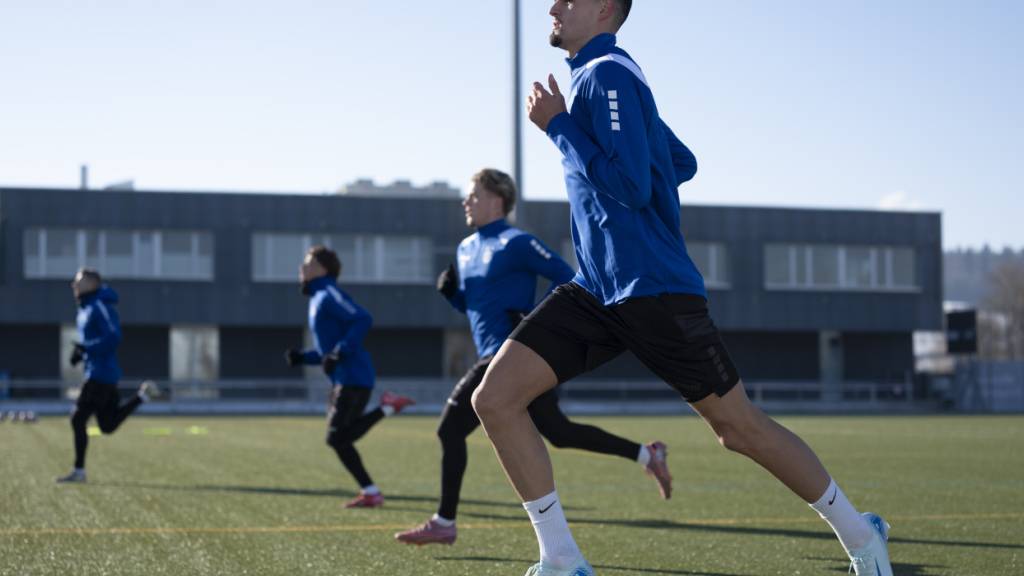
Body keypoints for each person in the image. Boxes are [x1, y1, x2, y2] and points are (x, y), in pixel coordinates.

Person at [469, 2, 894, 575]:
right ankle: (562, 560)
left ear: (601, 10)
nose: (553, 6)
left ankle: (861, 536)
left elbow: (631, 184)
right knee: (494, 398)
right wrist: (603, 131)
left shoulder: (607, 75)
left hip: (653, 287)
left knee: (737, 429)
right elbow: (682, 162)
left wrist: (559, 126)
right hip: (596, 288)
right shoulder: (606, 77)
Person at [395, 168, 671, 546]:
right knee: (558, 431)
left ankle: (444, 521)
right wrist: (453, 295)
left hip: (510, 354)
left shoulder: (518, 243)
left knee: (450, 428)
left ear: (497, 199)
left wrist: (534, 319)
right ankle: (647, 454)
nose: (466, 202)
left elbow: (570, 280)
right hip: (492, 354)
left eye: (473, 195)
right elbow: (477, 307)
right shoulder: (464, 249)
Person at [285, 245, 415, 508]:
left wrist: (340, 351)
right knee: (342, 438)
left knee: (336, 438)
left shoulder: (328, 292)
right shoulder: (317, 297)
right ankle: (370, 490)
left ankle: (372, 488)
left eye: (307, 263)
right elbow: (327, 351)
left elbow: (362, 319)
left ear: (322, 269)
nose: (302, 268)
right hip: (346, 378)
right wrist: (305, 357)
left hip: (352, 378)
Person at [56, 268, 160, 484]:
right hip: (100, 373)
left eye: (78, 281)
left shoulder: (100, 306)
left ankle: (79, 471)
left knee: (77, 419)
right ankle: (142, 396)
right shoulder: (84, 309)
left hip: (100, 374)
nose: (73, 285)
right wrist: (81, 354)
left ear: (92, 284)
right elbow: (93, 344)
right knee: (107, 425)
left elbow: (114, 337)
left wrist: (86, 349)